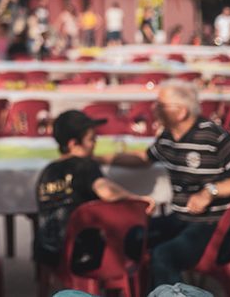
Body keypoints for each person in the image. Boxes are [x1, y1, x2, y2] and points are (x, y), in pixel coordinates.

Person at [99, 81, 230, 287]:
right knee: (128, 237)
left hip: (212, 225)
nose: (154, 110)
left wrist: (210, 192)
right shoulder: (168, 136)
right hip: (181, 219)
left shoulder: (212, 135)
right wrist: (102, 158)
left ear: (181, 112)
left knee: (163, 256)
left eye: (161, 106)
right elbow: (145, 158)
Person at [35, 110, 155, 289]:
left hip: (50, 252)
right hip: (83, 254)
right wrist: (136, 199)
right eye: (91, 139)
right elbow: (106, 191)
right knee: (143, 238)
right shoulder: (85, 166)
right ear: (73, 143)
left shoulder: (48, 171)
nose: (96, 142)